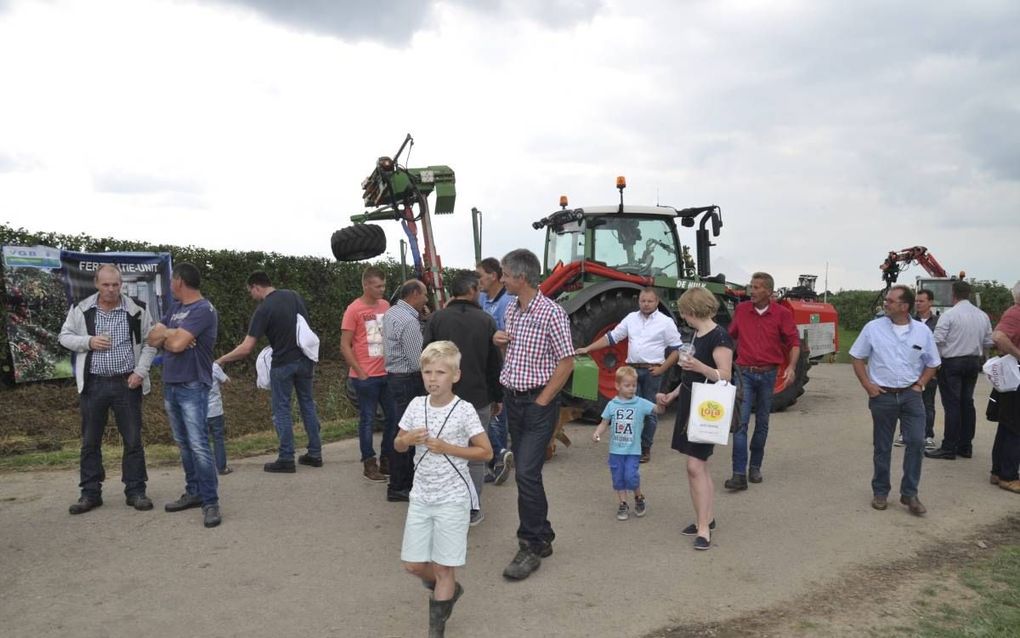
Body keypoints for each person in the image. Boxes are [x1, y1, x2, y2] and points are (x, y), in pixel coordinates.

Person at [394, 340, 492, 637]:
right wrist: (407, 439)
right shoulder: (415, 405)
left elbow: (485, 452)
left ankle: (436, 627)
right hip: (421, 497)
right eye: (427, 372)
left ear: (455, 376)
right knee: (413, 565)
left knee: (443, 567)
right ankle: (449, 590)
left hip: (452, 498)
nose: (433, 378)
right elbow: (398, 445)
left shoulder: (464, 411)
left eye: (440, 372)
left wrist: (447, 447)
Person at [493, 249, 575, 581]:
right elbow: (515, 356)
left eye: (504, 274)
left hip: (537, 404)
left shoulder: (552, 313)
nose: (501, 279)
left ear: (520, 277)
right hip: (514, 400)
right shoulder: (513, 309)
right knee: (528, 472)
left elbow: (566, 361)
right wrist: (500, 343)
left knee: (526, 472)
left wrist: (542, 401)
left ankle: (530, 544)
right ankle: (544, 535)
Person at [58, 264, 157, 515]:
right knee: (90, 442)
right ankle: (90, 494)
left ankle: (136, 491)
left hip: (127, 383)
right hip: (94, 384)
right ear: (96, 283)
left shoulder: (137, 310)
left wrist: (140, 372)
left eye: (115, 284)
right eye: (106, 285)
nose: (111, 289)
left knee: (133, 440)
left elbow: (150, 343)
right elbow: (64, 337)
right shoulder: (81, 309)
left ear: (121, 283)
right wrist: (88, 342)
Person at [216, 271, 324, 473]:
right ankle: (315, 454)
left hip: (283, 363)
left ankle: (286, 458)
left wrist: (222, 359)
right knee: (307, 404)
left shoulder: (263, 309)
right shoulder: (294, 296)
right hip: (305, 360)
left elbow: (247, 347)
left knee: (282, 410)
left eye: (251, 291)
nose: (251, 296)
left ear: (256, 287)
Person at [850, 285, 940, 516]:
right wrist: (868, 386)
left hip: (911, 396)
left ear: (904, 306)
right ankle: (880, 491)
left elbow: (933, 362)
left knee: (917, 442)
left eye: (890, 301)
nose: (885, 304)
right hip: (883, 396)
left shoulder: (922, 331)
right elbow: (857, 357)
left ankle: (909, 493)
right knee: (882, 446)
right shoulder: (873, 328)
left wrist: (920, 384)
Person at [656, 287, 734, 550]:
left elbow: (725, 375)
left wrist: (698, 366)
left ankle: (703, 529)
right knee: (699, 466)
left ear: (692, 311)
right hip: (692, 404)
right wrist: (672, 395)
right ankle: (706, 519)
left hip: (707, 409)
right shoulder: (697, 335)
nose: (683, 316)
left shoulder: (719, 337)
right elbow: (690, 377)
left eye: (684, 312)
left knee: (694, 466)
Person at [424, 272, 504, 526]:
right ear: (471, 290)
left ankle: (444, 505)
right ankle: (471, 508)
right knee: (475, 455)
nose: (480, 293)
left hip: (443, 399)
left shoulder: (436, 319)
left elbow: (425, 359)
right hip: (478, 398)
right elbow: (494, 364)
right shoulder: (486, 320)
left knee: (442, 451)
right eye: (478, 289)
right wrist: (497, 397)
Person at [147, 263, 222, 528]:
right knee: (184, 443)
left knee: (199, 443)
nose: (170, 286)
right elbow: (152, 337)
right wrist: (172, 333)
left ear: (179, 281)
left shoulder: (203, 309)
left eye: (172, 281)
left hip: (192, 384)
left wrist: (171, 336)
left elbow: (176, 345)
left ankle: (211, 502)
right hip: (171, 383)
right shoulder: (176, 309)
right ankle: (194, 492)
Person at [576, 287, 681, 463]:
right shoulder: (631, 318)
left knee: (649, 412)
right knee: (629, 411)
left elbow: (677, 350)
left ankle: (645, 448)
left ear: (656, 302)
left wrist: (662, 369)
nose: (646, 304)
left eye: (650, 301)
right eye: (643, 301)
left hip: (652, 371)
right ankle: (632, 446)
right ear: (638, 301)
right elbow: (612, 337)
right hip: (632, 371)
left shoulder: (666, 322)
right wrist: (588, 348)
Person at [725, 272, 800, 490]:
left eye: (757, 287)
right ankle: (739, 473)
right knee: (741, 423)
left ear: (768, 291)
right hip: (744, 373)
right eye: (751, 286)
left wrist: (792, 367)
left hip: (768, 375)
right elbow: (730, 337)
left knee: (763, 423)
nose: (752, 290)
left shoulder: (782, 314)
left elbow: (794, 342)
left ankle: (755, 467)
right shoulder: (741, 310)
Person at [342, 266, 398, 482]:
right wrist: (359, 370)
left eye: (384, 285)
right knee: (367, 419)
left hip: (387, 372)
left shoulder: (385, 305)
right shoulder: (353, 310)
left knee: (393, 417)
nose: (382, 290)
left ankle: (387, 458)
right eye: (378, 286)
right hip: (365, 376)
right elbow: (345, 345)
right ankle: (369, 463)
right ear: (366, 285)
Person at [926, 281, 994, 460]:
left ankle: (949, 446)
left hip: (952, 362)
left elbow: (937, 339)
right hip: (973, 362)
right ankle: (965, 446)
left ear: (953, 294)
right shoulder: (982, 316)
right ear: (969, 294)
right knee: (967, 403)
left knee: (952, 405)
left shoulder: (949, 315)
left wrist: (936, 362)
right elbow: (988, 342)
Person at [592, 366, 661, 521]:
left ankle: (638, 496)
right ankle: (623, 503)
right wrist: (597, 433)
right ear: (617, 386)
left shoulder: (640, 403)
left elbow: (657, 410)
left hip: (632, 450)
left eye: (634, 385)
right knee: (618, 478)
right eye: (627, 385)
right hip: (615, 450)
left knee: (631, 476)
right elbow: (604, 422)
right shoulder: (612, 405)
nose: (632, 389)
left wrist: (662, 402)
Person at [383, 279, 429, 503]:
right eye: (425, 295)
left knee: (398, 428)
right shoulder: (409, 323)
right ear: (414, 294)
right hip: (408, 380)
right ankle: (401, 485)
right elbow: (418, 361)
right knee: (406, 433)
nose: (427, 299)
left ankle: (398, 481)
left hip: (394, 377)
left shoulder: (392, 313)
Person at [477, 257, 515, 483]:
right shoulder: (482, 298)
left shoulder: (507, 302)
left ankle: (499, 461)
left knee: (498, 414)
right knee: (489, 412)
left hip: (501, 364)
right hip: (485, 363)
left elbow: (507, 337)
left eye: (480, 274)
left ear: (493, 275)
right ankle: (498, 455)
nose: (478, 280)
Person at [896, 290, 940, 450]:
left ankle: (928, 435)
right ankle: (904, 433)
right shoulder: (908, 321)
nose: (918, 304)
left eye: (921, 301)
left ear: (930, 302)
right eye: (916, 301)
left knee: (928, 404)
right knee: (905, 402)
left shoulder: (938, 322)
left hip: (929, 370)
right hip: (910, 369)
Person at [990, 281, 1020, 493]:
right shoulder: (1016, 313)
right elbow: (998, 336)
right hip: (1015, 374)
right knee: (1015, 426)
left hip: (1013, 374)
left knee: (1008, 424)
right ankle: (1008, 475)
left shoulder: (1013, 312)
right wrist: (1017, 355)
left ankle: (998, 471)